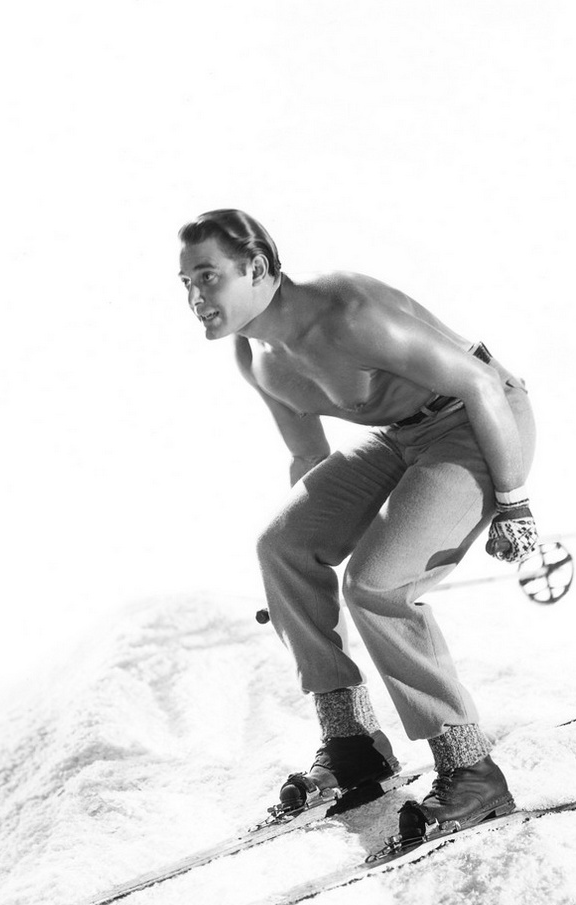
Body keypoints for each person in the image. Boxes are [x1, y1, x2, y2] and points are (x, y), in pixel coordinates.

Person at [178, 209, 538, 840]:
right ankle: (353, 745)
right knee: (281, 548)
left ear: (256, 268)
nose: (194, 297)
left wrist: (515, 505)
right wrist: (305, 562)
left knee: (376, 583)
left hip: (477, 423)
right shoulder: (254, 355)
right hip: (402, 437)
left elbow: (481, 384)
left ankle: (471, 769)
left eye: (207, 277)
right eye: (186, 283)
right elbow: (308, 459)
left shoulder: (346, 312)